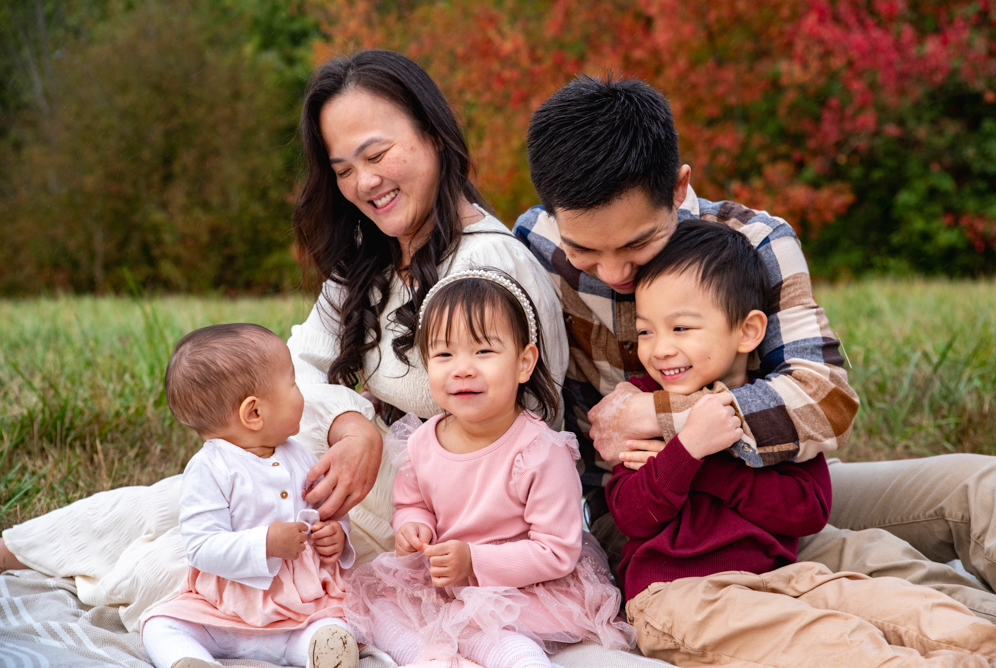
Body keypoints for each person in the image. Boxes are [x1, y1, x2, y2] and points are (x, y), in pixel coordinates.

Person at [1, 51, 652, 668]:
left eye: (377, 154)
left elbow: (491, 418)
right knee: (212, 486)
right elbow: (294, 364)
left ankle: (57, 565)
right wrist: (352, 423)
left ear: (433, 135)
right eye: (342, 169)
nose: (363, 182)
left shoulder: (487, 263)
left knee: (199, 533)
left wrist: (361, 429)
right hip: (379, 482)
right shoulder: (369, 261)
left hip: (452, 504)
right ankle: (27, 552)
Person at [514, 74, 996, 621]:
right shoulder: (534, 249)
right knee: (889, 582)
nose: (614, 271)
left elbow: (826, 402)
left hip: (772, 490)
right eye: (585, 250)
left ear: (678, 189)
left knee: (983, 487)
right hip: (655, 518)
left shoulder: (756, 241)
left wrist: (657, 413)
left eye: (637, 242)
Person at [606, 219, 996, 666]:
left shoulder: (775, 408)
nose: (658, 349)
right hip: (681, 595)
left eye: (681, 329)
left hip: (786, 572)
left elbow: (807, 510)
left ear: (748, 331)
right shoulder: (642, 406)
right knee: (838, 643)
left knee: (916, 612)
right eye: (645, 331)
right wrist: (687, 448)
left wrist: (712, 464)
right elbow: (634, 515)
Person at [343, 270, 635, 668]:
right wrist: (413, 527)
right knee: (381, 609)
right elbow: (412, 503)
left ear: (523, 363)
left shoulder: (540, 452)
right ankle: (427, 658)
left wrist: (473, 562)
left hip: (521, 585)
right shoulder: (422, 441)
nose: (462, 368)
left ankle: (518, 660)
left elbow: (556, 551)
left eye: (483, 352)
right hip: (444, 579)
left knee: (493, 630)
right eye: (444, 355)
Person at [140, 324, 360, 668]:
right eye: (293, 383)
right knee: (160, 624)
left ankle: (317, 650)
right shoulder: (210, 468)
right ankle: (190, 660)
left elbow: (324, 512)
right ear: (254, 413)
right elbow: (201, 547)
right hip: (225, 611)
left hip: (298, 610)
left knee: (332, 625)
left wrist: (336, 535)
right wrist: (265, 544)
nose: (301, 392)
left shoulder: (299, 454)